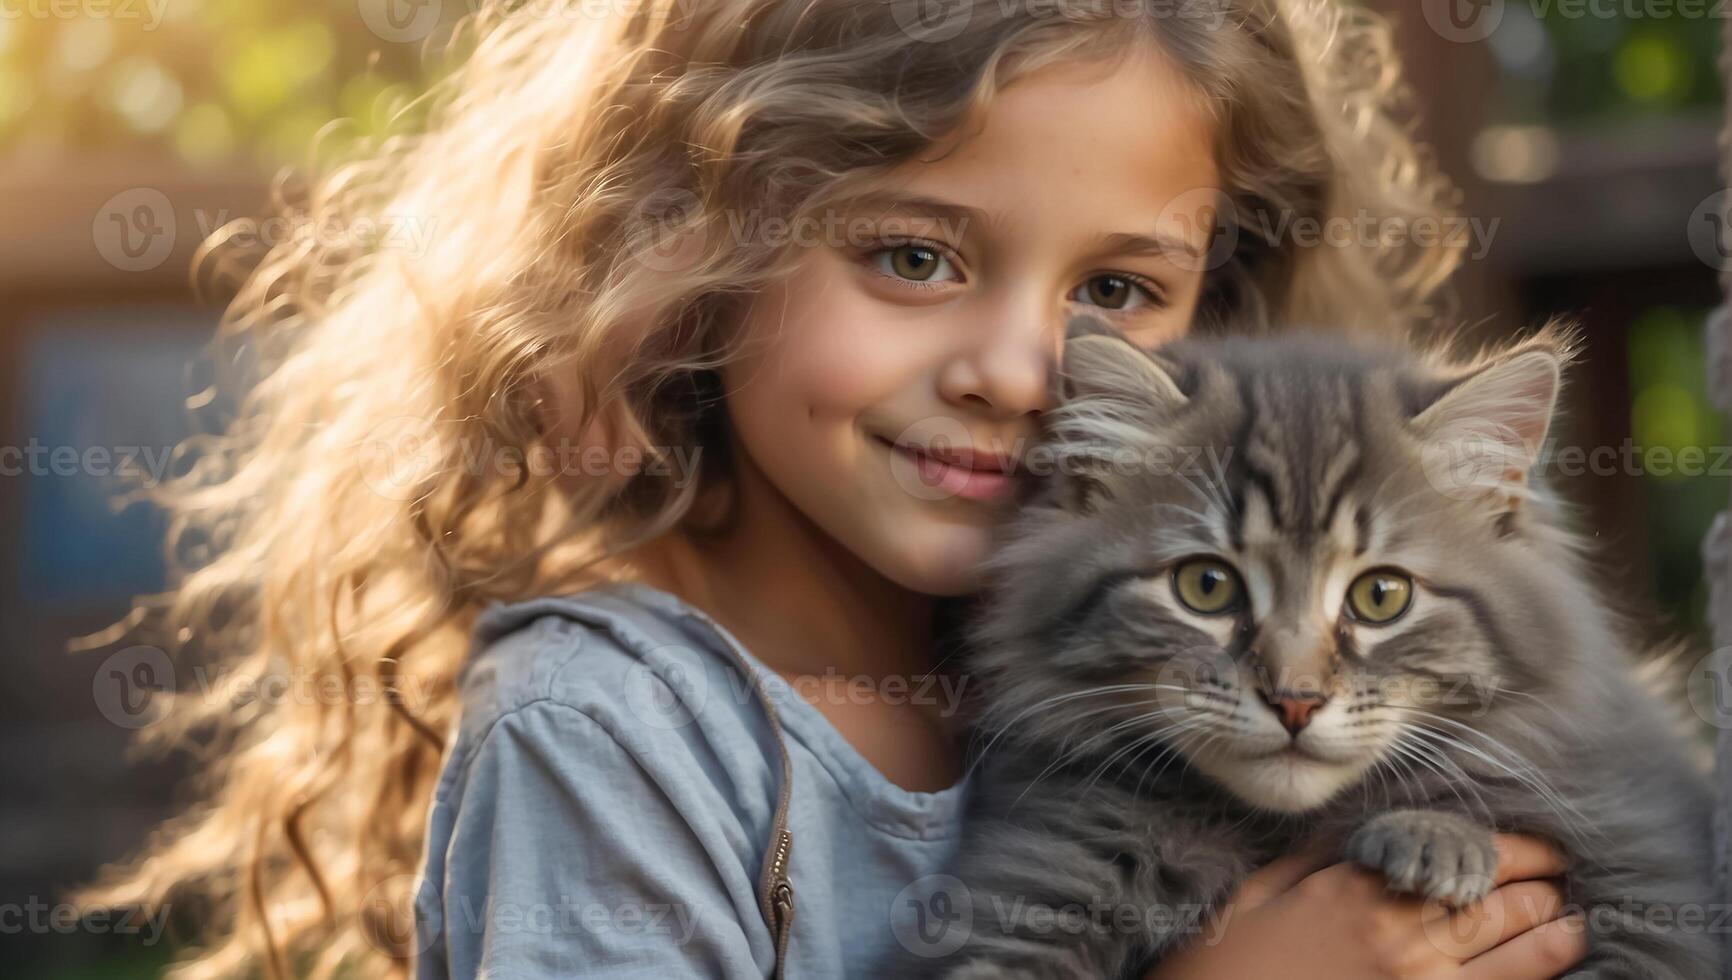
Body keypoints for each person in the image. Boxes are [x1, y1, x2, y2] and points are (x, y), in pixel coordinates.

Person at [72, 0, 1588, 977]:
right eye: (913, 256)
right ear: (689, 242)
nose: (1021, 368)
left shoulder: (1166, 672)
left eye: (1119, 288)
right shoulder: (612, 738)